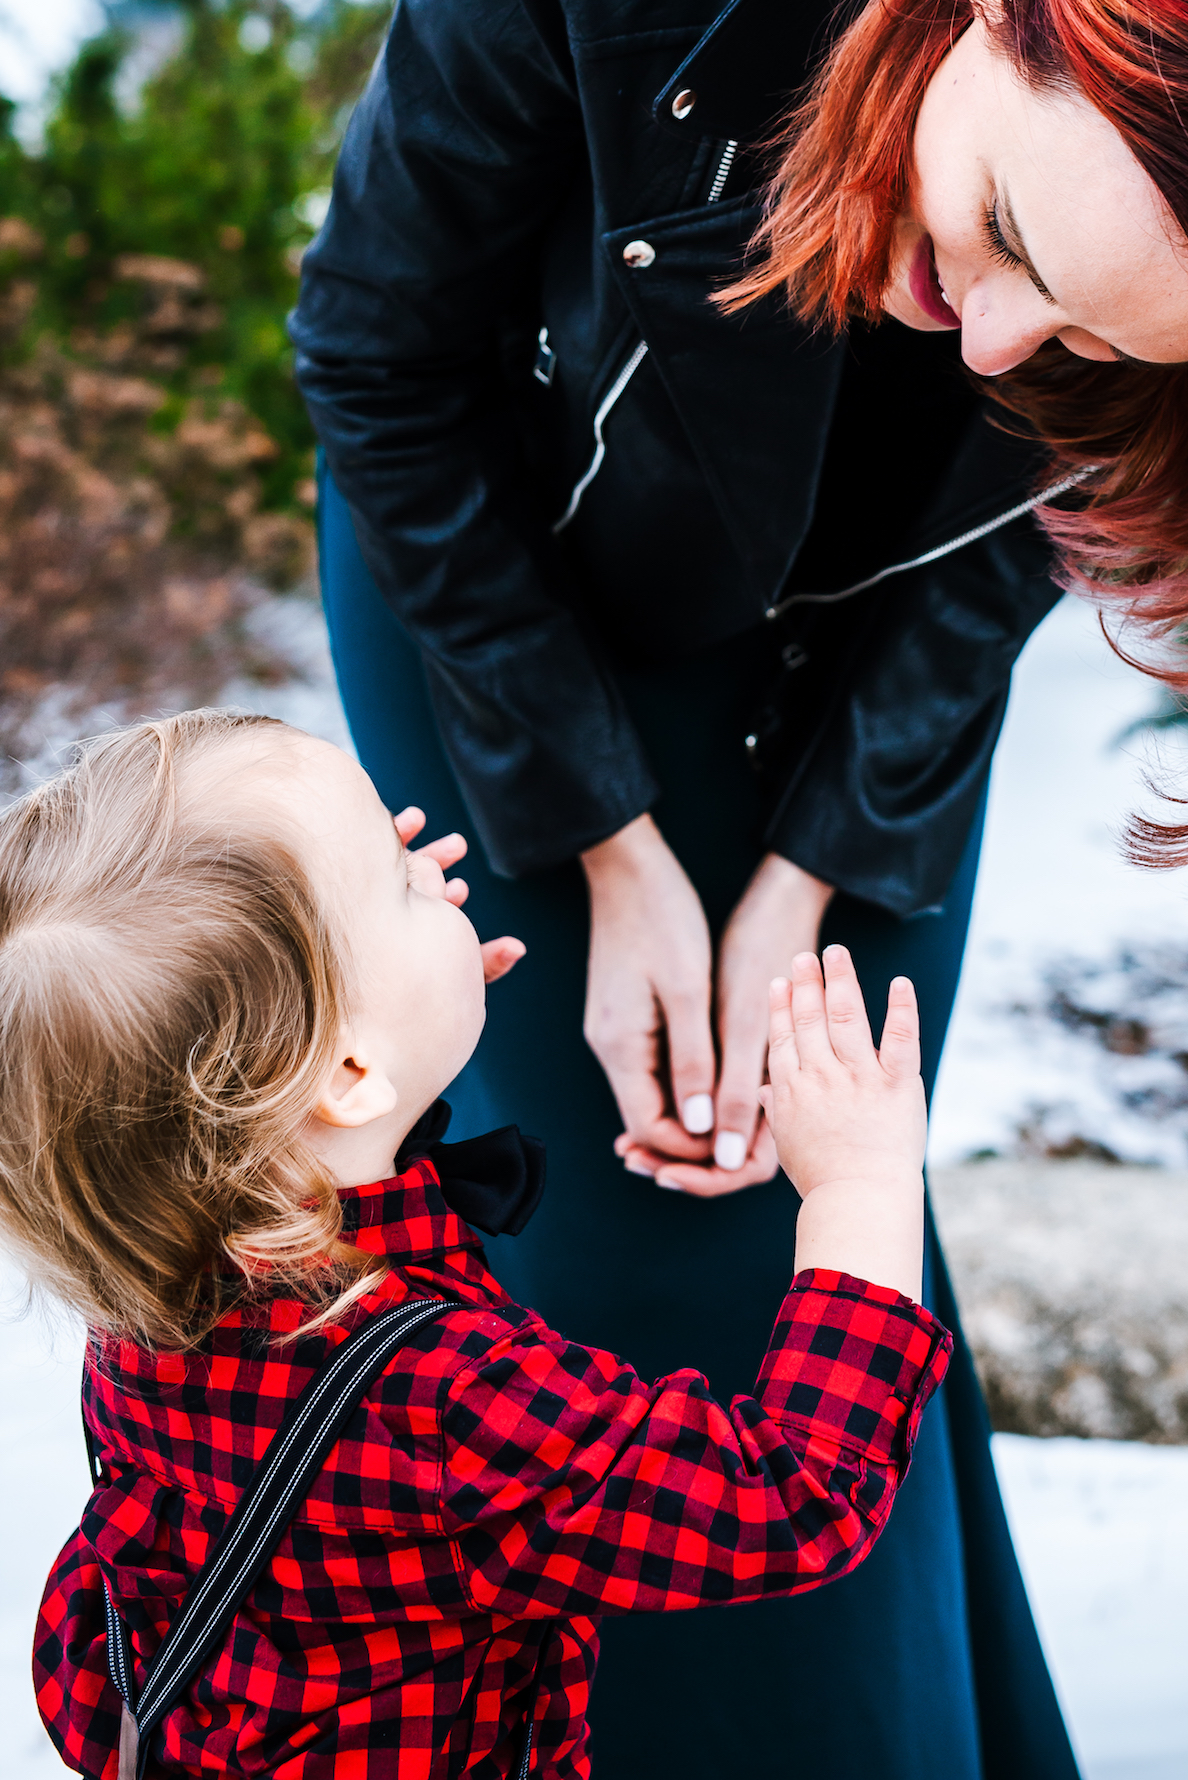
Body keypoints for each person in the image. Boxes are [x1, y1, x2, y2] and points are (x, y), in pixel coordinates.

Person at [290, 0, 1188, 1779]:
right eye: (1002, 238)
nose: (988, 343)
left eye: (1078, 339)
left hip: (870, 637)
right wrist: (612, 849)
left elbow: (1010, 540)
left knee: (826, 1226)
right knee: (627, 1253)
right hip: (502, 575)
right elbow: (374, 346)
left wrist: (799, 877)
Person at [6, 710, 948, 1778]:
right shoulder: (453, 1406)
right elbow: (791, 1493)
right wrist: (860, 1183)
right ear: (345, 1075)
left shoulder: (141, 1285)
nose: (433, 866)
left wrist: (401, 993)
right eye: (404, 880)